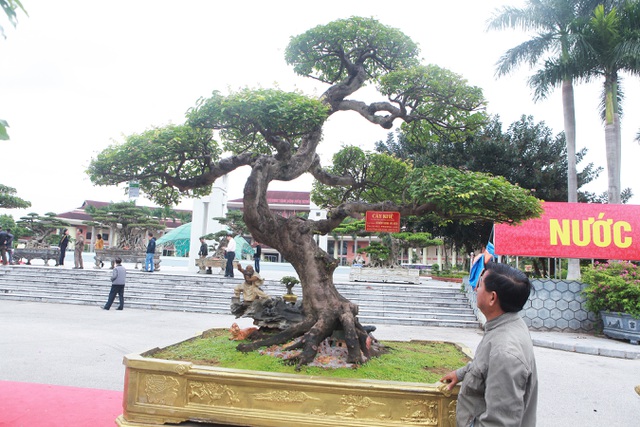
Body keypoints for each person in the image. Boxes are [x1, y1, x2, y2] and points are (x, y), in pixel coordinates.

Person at [440, 262, 538, 427]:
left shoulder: (505, 352)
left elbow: (499, 422)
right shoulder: (506, 323)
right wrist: (461, 373)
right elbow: (486, 365)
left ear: (492, 298)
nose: (476, 289)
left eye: (480, 284)